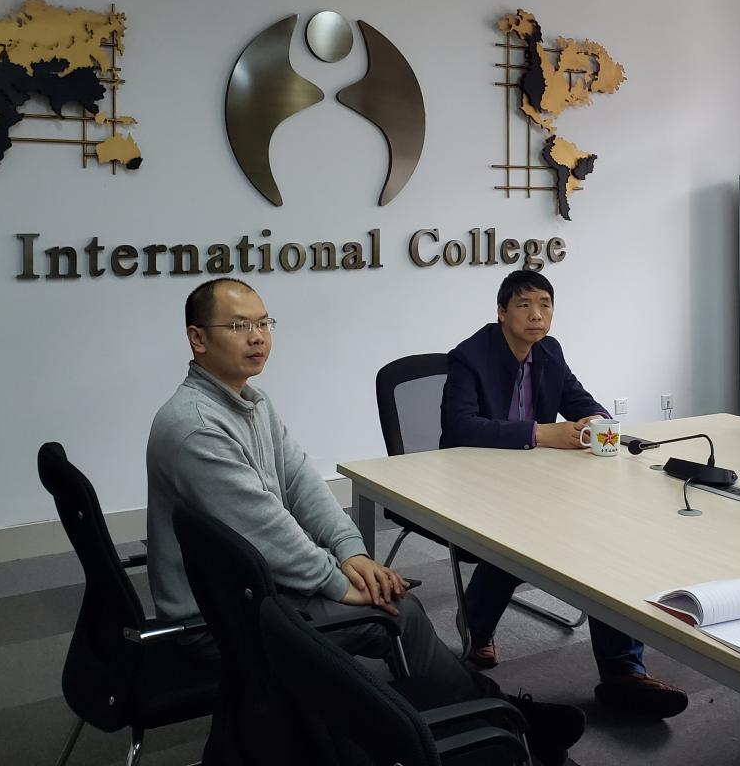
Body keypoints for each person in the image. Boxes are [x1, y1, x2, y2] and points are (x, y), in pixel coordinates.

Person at [147, 278, 584, 766]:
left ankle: (488, 717)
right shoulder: (197, 428)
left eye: (263, 323)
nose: (257, 337)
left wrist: (350, 550)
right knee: (396, 612)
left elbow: (301, 483)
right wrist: (337, 581)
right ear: (198, 338)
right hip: (218, 617)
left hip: (251, 589)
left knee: (389, 604)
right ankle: (495, 724)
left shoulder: (250, 401)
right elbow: (263, 528)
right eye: (237, 326)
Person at [440, 269, 690, 719]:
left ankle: (624, 674)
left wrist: (596, 420)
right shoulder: (469, 357)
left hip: (536, 481)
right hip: (477, 481)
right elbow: (459, 427)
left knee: (603, 544)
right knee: (511, 543)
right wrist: (539, 433)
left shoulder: (549, 352)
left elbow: (579, 401)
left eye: (545, 305)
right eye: (524, 305)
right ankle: (475, 627)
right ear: (501, 313)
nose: (536, 315)